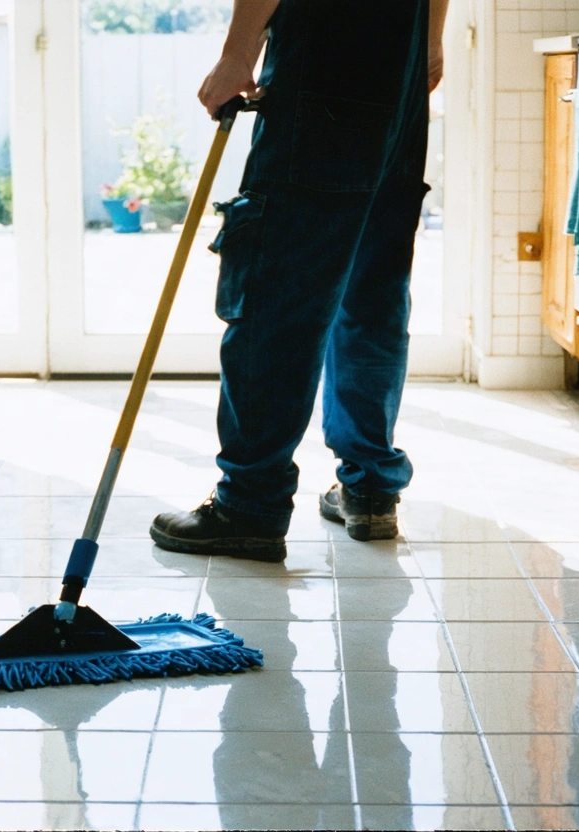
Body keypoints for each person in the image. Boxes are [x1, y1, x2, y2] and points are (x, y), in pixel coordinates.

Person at [150, 0, 449, 559]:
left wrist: (237, 52)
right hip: (399, 76)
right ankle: (369, 490)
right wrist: (430, 42)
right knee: (371, 293)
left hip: (324, 70)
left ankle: (250, 504)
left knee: (278, 297)